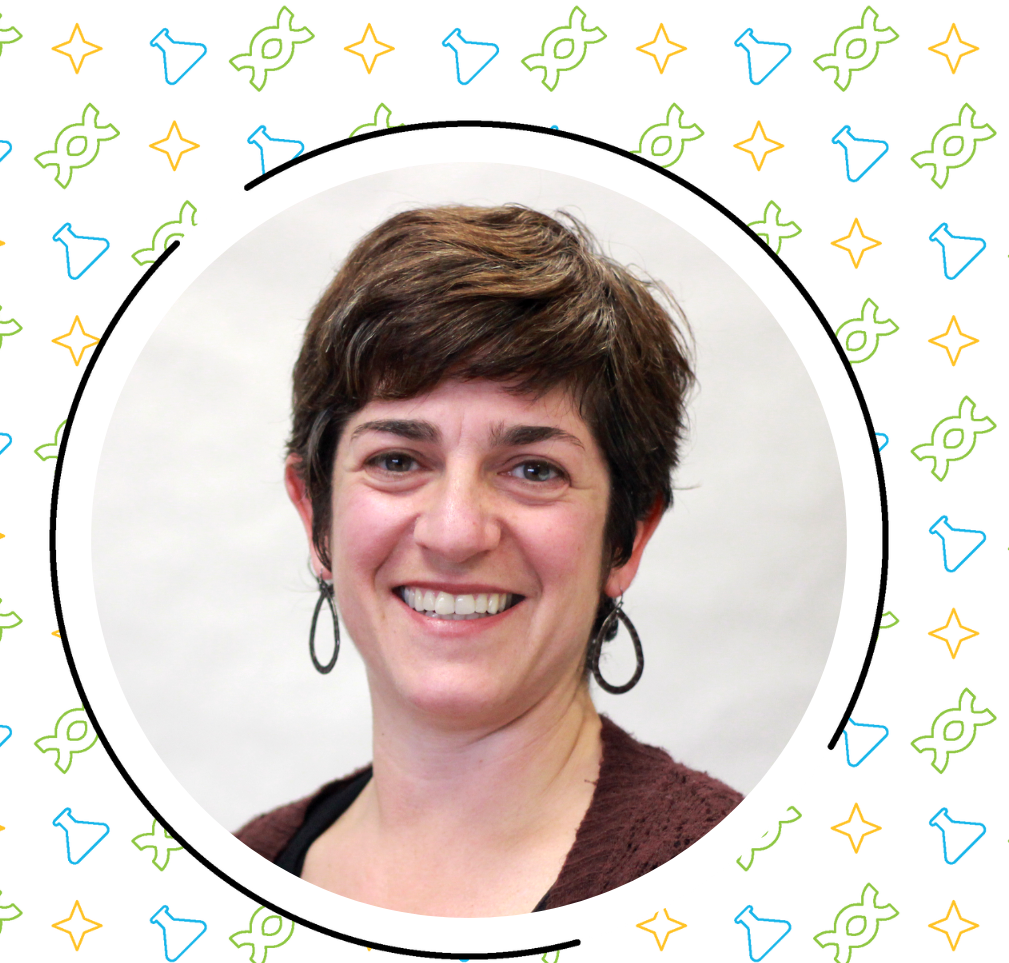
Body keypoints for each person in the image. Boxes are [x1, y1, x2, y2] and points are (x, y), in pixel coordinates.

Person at [237, 204, 742, 915]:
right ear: (314, 514)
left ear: (628, 535)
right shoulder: (248, 861)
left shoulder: (718, 864)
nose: (455, 533)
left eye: (534, 470)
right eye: (397, 459)